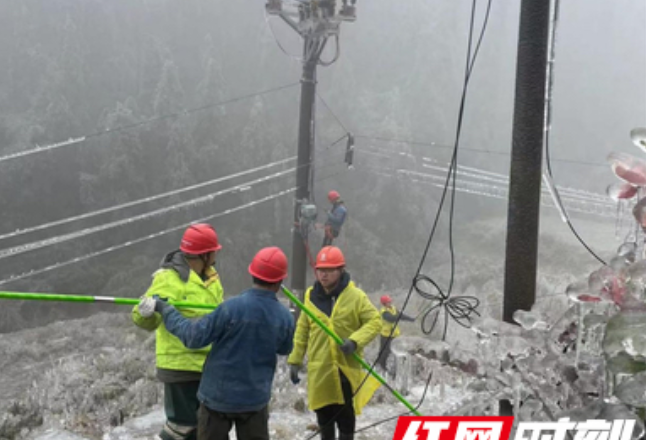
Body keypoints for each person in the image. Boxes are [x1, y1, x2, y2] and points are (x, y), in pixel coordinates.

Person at [140, 247, 295, 440]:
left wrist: (165, 309)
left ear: (252, 273)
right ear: (280, 281)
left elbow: (193, 337)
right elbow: (285, 348)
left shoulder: (230, 308)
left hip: (217, 400)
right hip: (255, 401)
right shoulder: (285, 318)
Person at [133, 223, 224, 440]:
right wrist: (145, 313)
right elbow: (141, 316)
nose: (215, 255)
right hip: (179, 365)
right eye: (213, 251)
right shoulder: (167, 278)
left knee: (205, 426)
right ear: (204, 254)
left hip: (207, 364)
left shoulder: (212, 279)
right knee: (182, 427)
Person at [287, 246, 381, 440]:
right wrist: (295, 359)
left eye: (329, 270)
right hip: (320, 371)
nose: (324, 275)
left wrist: (355, 341)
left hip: (346, 370)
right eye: (321, 270)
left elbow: (375, 321)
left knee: (346, 420)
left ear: (340, 270)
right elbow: (302, 330)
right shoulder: (311, 297)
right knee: (324, 419)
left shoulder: (355, 296)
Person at [376, 295, 415, 372]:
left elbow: (401, 316)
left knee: (397, 351)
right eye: (388, 302)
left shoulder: (393, 308)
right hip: (386, 335)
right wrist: (398, 316)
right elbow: (391, 319)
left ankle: (396, 368)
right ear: (385, 303)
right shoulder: (384, 312)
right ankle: (381, 366)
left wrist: (410, 319)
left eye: (390, 301)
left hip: (395, 335)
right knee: (385, 351)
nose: (390, 302)